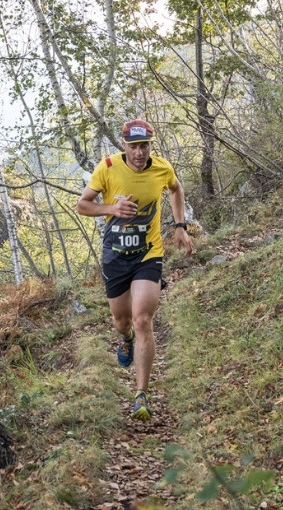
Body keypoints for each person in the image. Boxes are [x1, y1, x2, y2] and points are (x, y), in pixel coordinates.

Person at [77, 119, 193, 421]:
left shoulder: (162, 168)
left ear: (150, 146)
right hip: (115, 256)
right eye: (133, 146)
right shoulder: (108, 168)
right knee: (123, 321)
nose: (139, 153)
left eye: (144, 146)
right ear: (123, 146)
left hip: (148, 254)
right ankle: (124, 339)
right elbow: (83, 205)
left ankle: (141, 394)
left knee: (143, 319)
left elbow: (176, 189)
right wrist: (112, 209)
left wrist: (180, 226)